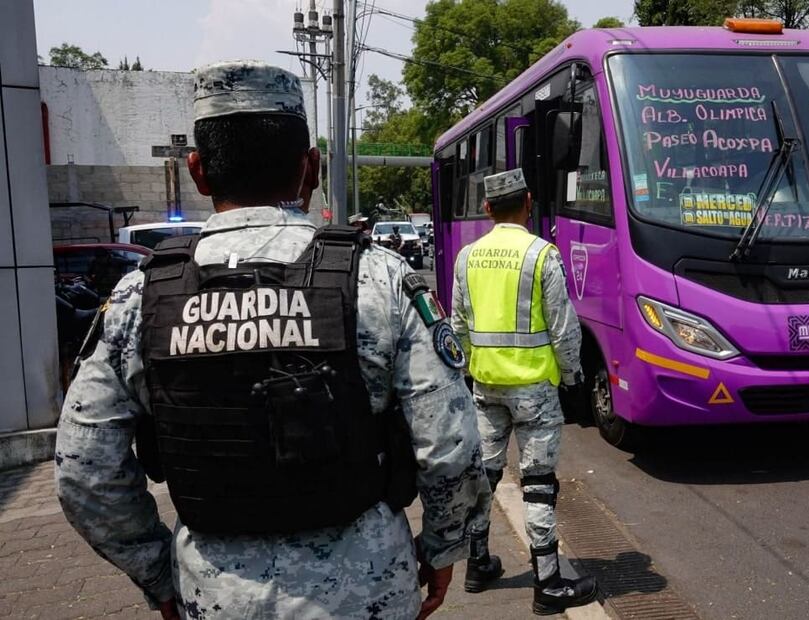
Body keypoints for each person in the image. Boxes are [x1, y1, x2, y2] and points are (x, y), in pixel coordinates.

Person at [55, 60, 489, 620]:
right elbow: (451, 444)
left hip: (214, 597)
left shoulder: (139, 299)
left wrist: (157, 573)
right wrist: (443, 546)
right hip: (367, 591)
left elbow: (84, 471)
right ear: (311, 167)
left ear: (198, 171)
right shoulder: (379, 279)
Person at [450, 169, 597, 615]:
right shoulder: (542, 255)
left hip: (486, 386)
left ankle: (477, 565)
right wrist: (572, 377)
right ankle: (548, 583)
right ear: (529, 203)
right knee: (537, 485)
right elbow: (564, 328)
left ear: (487, 208)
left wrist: (472, 369)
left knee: (484, 477)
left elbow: (458, 327)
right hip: (534, 390)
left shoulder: (467, 257)